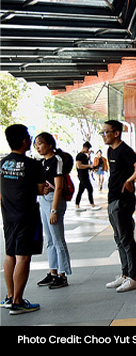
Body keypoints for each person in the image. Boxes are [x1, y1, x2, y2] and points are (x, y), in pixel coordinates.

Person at [1, 124, 46, 315]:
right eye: (28, 137)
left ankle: (10, 297)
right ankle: (18, 302)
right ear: (24, 141)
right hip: (26, 215)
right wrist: (44, 189)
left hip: (8, 215)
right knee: (24, 256)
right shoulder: (32, 164)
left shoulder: (2, 163)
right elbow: (39, 189)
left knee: (10, 254)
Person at [102, 120, 136, 293]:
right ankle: (125, 274)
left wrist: (129, 180)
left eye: (106, 132)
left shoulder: (124, 150)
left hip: (123, 200)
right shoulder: (110, 150)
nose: (104, 135)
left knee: (126, 238)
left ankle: (133, 277)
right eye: (103, 132)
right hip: (112, 198)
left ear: (116, 133)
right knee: (118, 238)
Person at [33, 132, 72, 290]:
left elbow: (59, 187)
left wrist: (54, 210)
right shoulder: (42, 162)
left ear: (50, 144)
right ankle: (53, 272)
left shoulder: (57, 160)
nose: (38, 147)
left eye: (40, 143)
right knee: (49, 239)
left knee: (57, 239)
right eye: (36, 144)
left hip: (53, 201)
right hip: (43, 200)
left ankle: (62, 274)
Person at [74, 142, 99, 211]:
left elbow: (86, 165)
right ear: (84, 147)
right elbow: (79, 166)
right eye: (87, 149)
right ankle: (92, 205)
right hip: (82, 175)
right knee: (90, 189)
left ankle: (77, 205)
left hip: (85, 175)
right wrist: (89, 166)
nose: (88, 150)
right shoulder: (79, 156)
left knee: (80, 190)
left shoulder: (85, 156)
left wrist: (92, 167)